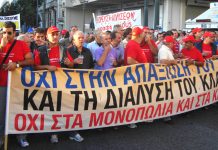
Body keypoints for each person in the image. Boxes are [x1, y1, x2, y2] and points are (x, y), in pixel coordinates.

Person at [0, 21, 34, 148]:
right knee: (1, 112)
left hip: (18, 85)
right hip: (2, 84)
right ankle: (2, 137)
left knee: (19, 110)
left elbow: (30, 59)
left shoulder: (21, 44)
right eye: (4, 32)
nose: (6, 35)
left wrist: (17, 64)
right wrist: (1, 47)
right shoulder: (0, 43)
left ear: (14, 33)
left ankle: (21, 137)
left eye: (9, 33)